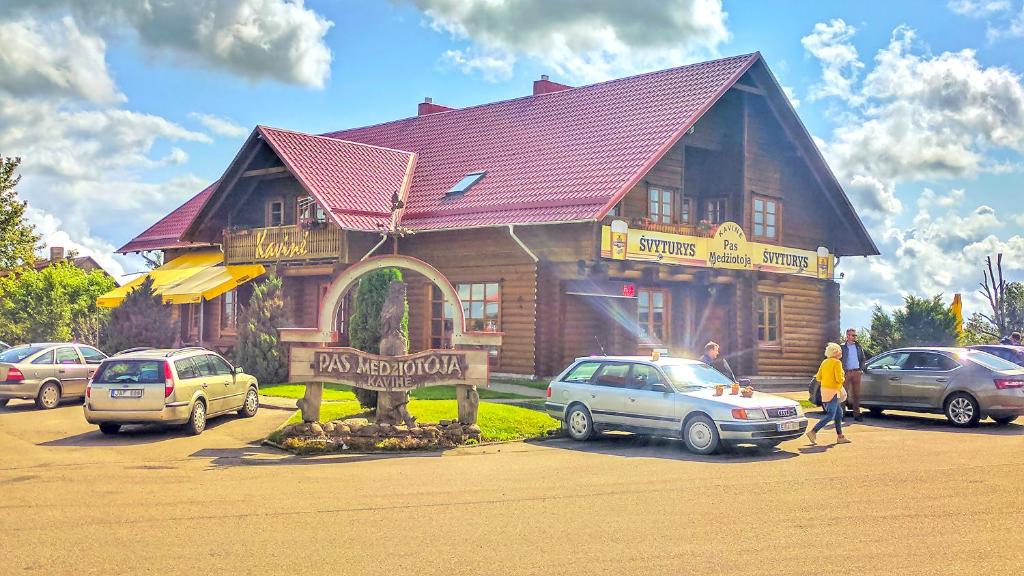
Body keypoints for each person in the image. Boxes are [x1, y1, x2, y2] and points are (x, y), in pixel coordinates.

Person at [807, 342, 850, 445]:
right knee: (831, 415)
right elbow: (839, 379)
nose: (841, 353)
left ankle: (840, 436)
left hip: (825, 391)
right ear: (836, 352)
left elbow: (818, 377)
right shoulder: (837, 363)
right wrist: (843, 377)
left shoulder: (825, 362)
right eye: (840, 351)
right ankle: (813, 431)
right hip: (834, 391)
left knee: (839, 414)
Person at [840, 328, 867, 421]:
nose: (854, 337)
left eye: (855, 335)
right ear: (847, 336)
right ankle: (841, 414)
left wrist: (861, 369)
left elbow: (863, 359)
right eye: (852, 335)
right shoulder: (842, 347)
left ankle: (857, 415)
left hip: (856, 372)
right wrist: (842, 371)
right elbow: (838, 360)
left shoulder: (858, 346)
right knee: (843, 394)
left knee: (856, 394)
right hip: (846, 373)